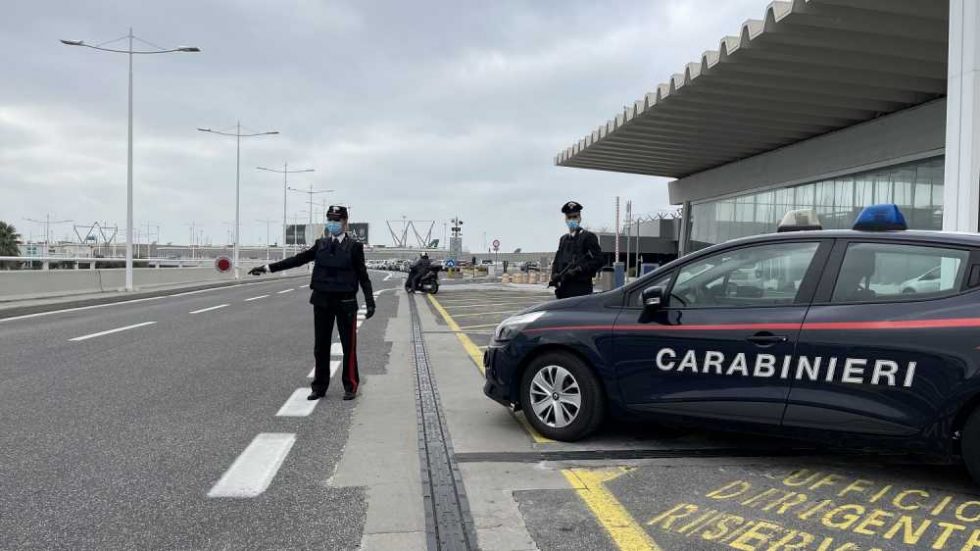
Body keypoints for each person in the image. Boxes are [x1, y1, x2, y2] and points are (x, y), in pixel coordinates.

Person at [249, 205, 375, 401]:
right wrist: (266, 268)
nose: (332, 223)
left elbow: (363, 276)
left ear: (345, 222)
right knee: (321, 346)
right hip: (322, 300)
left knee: (348, 346)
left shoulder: (355, 248)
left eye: (337, 220)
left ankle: (350, 385)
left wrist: (369, 301)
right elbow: (297, 260)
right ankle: (319, 387)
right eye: (330, 219)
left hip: (346, 302)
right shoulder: (321, 244)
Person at [549, 201, 603, 299]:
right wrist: (554, 275)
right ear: (565, 219)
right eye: (569, 217)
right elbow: (557, 260)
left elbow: (598, 260)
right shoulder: (563, 239)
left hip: (580, 289)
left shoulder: (588, 237)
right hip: (564, 288)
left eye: (575, 217)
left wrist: (579, 269)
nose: (572, 220)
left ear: (580, 218)